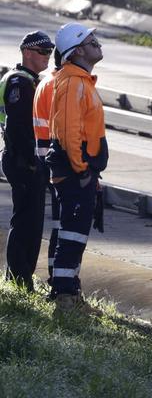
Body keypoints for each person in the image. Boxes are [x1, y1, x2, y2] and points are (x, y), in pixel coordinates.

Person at [46, 23, 107, 309]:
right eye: (91, 40)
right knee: (71, 234)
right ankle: (64, 297)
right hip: (74, 172)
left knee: (76, 233)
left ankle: (70, 291)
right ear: (78, 50)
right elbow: (70, 132)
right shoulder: (72, 82)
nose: (98, 44)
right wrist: (82, 170)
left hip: (81, 171)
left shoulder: (80, 80)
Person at [1, 31, 53, 290]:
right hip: (22, 160)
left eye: (50, 52)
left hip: (25, 160)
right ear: (28, 53)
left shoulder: (29, 81)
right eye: (43, 52)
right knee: (25, 222)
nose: (48, 57)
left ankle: (22, 276)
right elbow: (19, 127)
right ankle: (18, 279)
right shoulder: (20, 83)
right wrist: (31, 162)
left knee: (32, 221)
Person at [31, 48, 62, 282]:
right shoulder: (59, 85)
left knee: (59, 226)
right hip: (58, 165)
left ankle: (56, 278)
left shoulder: (47, 82)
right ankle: (59, 283)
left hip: (47, 160)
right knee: (65, 229)